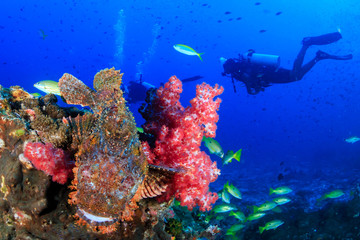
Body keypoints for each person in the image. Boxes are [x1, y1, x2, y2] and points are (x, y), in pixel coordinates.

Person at [221, 32, 353, 95]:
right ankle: (318, 57)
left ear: (229, 69)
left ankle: (306, 45)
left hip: (269, 74)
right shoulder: (242, 65)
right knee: (297, 76)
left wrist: (251, 89)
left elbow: (251, 87)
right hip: (269, 71)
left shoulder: (240, 72)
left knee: (294, 75)